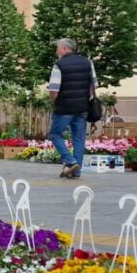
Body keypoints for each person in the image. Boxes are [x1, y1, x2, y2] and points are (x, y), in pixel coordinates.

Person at [47, 38, 98, 179]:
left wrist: (54, 102)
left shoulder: (59, 65)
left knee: (54, 135)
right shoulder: (88, 62)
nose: (57, 51)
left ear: (64, 48)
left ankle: (70, 161)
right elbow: (93, 85)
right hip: (82, 108)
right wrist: (85, 100)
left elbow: (53, 89)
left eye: (58, 48)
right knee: (79, 139)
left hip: (64, 108)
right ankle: (76, 171)